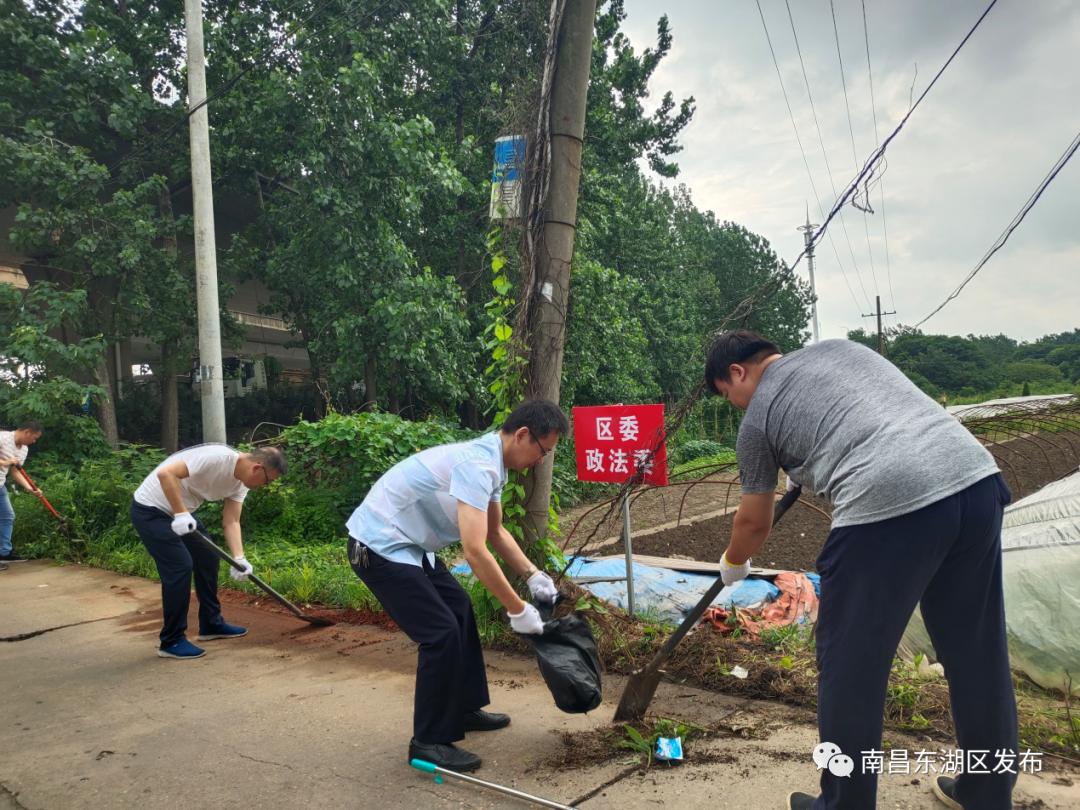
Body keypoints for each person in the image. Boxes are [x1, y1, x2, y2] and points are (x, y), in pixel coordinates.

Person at [704, 331, 1015, 810]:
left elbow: (753, 521)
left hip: (890, 506)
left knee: (851, 668)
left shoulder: (757, 418)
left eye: (730, 396)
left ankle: (844, 804)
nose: (738, 406)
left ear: (739, 372)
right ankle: (988, 792)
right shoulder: (842, 350)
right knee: (977, 654)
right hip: (974, 480)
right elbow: (860, 415)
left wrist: (732, 562)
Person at [346, 399, 570, 772]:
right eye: (543, 450)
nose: (541, 460)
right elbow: (475, 550)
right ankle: (428, 742)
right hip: (378, 545)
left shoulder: (492, 463)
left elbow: (495, 531)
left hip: (410, 545)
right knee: (440, 633)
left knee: (460, 610)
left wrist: (533, 574)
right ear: (523, 435)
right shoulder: (478, 465)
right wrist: (517, 609)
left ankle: (463, 709)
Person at [131, 444, 287, 660]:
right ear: (257, 469)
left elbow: (231, 521)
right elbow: (165, 473)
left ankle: (211, 624)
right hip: (151, 510)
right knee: (180, 566)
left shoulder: (241, 485)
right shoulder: (216, 458)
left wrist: (239, 558)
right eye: (268, 481)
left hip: (181, 512)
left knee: (208, 557)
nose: (266, 486)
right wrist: (181, 514)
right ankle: (171, 640)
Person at [0, 420, 44, 563]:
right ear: (27, 432)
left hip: (0, 485)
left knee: (7, 516)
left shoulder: (23, 449)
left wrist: (31, 488)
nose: (34, 441)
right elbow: (9, 464)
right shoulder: (3, 437)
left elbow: (15, 472)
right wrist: (6, 462)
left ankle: (4, 553)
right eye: (34, 437)